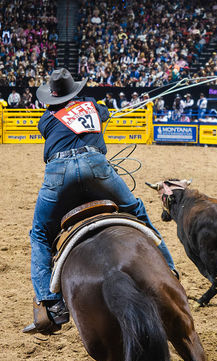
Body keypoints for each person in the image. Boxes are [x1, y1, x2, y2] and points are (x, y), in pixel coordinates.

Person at [24, 68, 177, 335]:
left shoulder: (46, 119)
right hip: (96, 166)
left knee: (39, 234)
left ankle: (50, 304)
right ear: (74, 90)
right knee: (136, 210)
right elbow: (103, 113)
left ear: (52, 96)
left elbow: (57, 127)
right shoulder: (93, 106)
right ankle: (169, 270)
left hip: (58, 173)